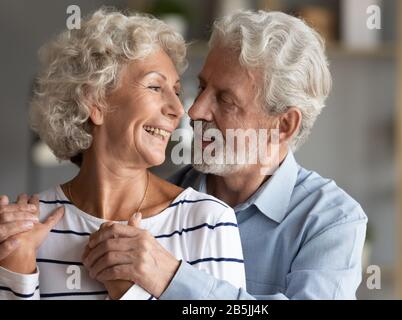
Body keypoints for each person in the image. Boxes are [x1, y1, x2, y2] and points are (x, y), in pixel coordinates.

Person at [84, 10, 367, 300]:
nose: (194, 112)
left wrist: (170, 277)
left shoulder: (330, 220)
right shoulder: (155, 203)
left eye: (225, 100)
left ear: (283, 125)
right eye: (203, 87)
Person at [0, 8, 245, 300]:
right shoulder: (23, 229)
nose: (178, 110)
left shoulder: (208, 221)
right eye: (156, 87)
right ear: (95, 101)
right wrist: (17, 271)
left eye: (176, 92)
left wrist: (129, 292)